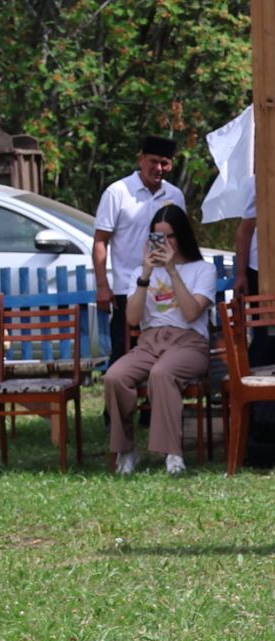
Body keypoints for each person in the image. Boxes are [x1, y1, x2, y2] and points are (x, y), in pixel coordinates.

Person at [104, 202, 215, 475]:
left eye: (170, 236)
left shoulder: (203, 270)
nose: (164, 243)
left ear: (183, 237)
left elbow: (191, 313)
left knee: (162, 373)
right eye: (157, 237)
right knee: (114, 376)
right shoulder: (139, 274)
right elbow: (131, 319)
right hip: (150, 342)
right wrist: (146, 273)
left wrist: (173, 271)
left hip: (189, 342)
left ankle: (173, 454)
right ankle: (126, 450)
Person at [94, 137, 186, 362]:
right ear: (141, 159)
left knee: (163, 352)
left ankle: (157, 397)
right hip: (128, 288)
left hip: (165, 288)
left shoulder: (175, 195)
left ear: (171, 165)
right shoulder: (118, 192)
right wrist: (103, 286)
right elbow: (100, 242)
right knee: (125, 353)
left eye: (164, 163)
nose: (158, 168)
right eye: (153, 161)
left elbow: (182, 241)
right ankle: (120, 396)